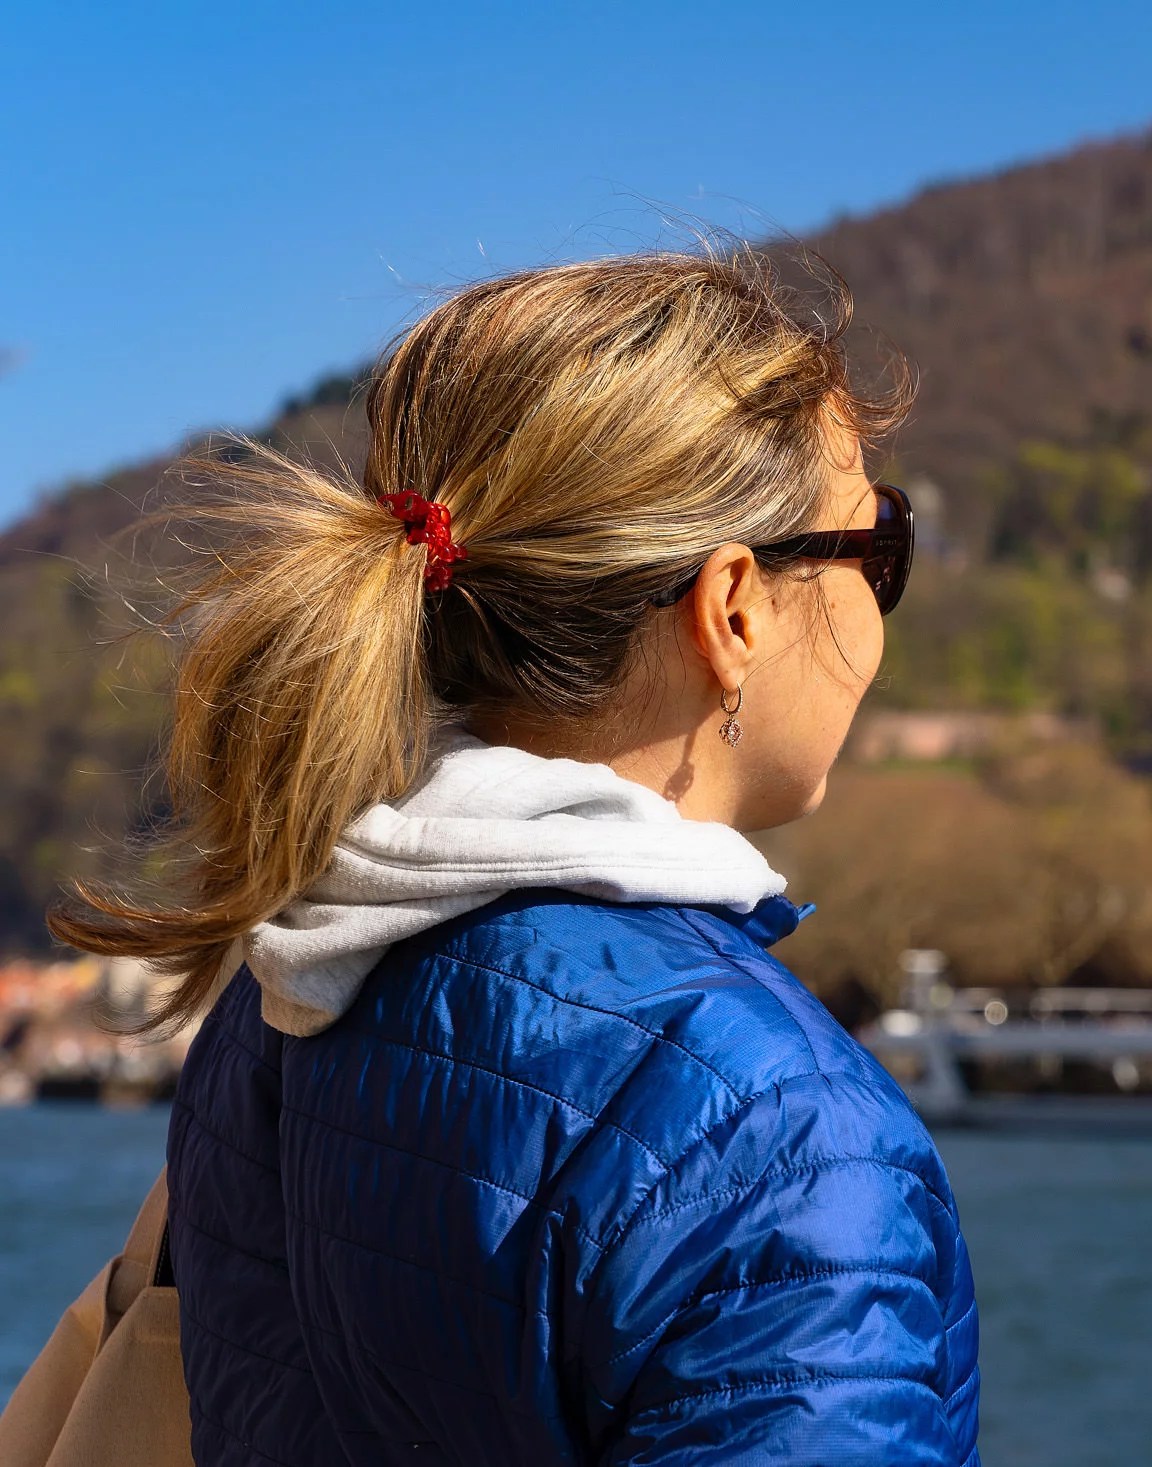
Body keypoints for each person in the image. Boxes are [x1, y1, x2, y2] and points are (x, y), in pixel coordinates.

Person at [49, 244, 980, 1465]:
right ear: (736, 607)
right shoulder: (779, 1133)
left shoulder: (286, 992)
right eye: (880, 546)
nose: (880, 604)